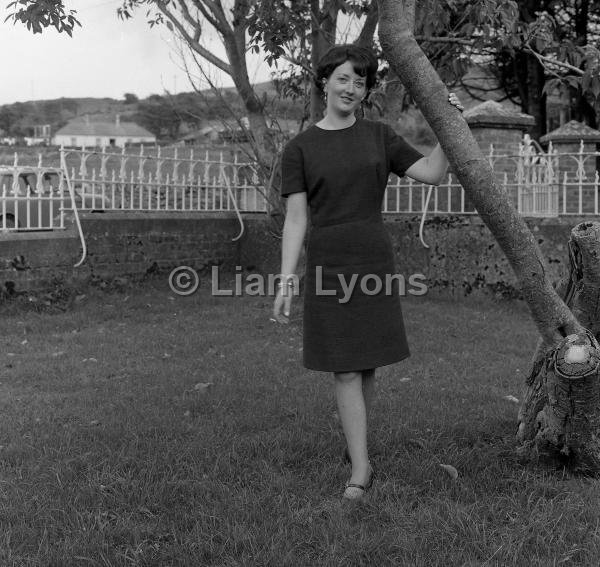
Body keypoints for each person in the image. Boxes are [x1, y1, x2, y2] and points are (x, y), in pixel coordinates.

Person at [272, 44, 463, 501]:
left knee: (366, 362)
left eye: (360, 82)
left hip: (373, 257)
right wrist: (286, 279)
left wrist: (451, 123)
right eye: (343, 78)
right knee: (344, 368)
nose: (351, 88)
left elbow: (434, 173)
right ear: (324, 81)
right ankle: (361, 467)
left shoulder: (379, 136)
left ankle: (358, 450)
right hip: (330, 261)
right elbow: (297, 220)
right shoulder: (299, 148)